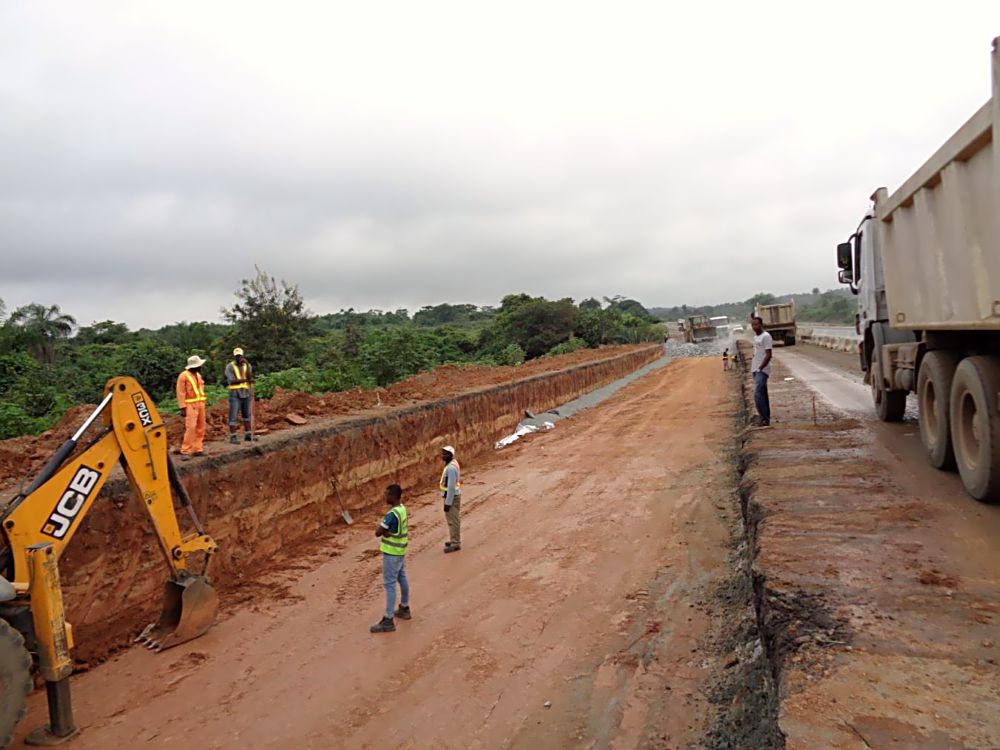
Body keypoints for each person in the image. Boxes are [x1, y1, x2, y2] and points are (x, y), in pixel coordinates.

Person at [371, 484, 410, 634]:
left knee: (390, 585)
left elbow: (377, 532)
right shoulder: (402, 510)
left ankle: (388, 620)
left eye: (387, 495)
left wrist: (385, 531)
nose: (385, 497)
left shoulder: (392, 514)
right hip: (400, 550)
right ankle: (404, 607)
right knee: (402, 578)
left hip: (391, 553)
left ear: (393, 496)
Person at [176, 355, 208, 459]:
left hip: (200, 403)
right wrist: (182, 407)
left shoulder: (198, 375)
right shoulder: (183, 376)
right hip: (190, 405)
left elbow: (201, 388)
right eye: (199, 365)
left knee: (201, 426)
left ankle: (197, 448)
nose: (201, 367)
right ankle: (186, 450)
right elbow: (180, 392)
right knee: (191, 427)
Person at [225, 347, 255, 444]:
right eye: (237, 356)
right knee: (233, 414)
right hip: (235, 393)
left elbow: (250, 377)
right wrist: (246, 380)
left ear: (243, 356)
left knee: (247, 414)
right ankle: (233, 436)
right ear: (234, 357)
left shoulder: (247, 365)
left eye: (240, 356)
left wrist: (246, 365)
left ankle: (248, 434)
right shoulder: (230, 367)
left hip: (246, 392)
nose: (239, 358)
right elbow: (232, 381)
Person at [750, 316, 773, 427]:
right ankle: (766, 419)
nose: (754, 327)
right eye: (753, 324)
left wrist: (761, 367)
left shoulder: (766, 336)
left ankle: (763, 418)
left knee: (757, 394)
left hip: (762, 369)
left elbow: (769, 354)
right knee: (763, 394)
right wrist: (754, 368)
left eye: (756, 324)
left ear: (761, 324)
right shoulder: (755, 337)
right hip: (755, 368)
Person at [440, 445, 462, 553]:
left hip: (452, 497)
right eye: (443, 453)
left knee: (453, 520)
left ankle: (455, 543)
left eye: (445, 454)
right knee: (453, 520)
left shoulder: (451, 468)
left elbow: (451, 487)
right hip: (453, 496)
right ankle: (454, 539)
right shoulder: (452, 464)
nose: (443, 455)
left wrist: (447, 503)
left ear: (451, 455)